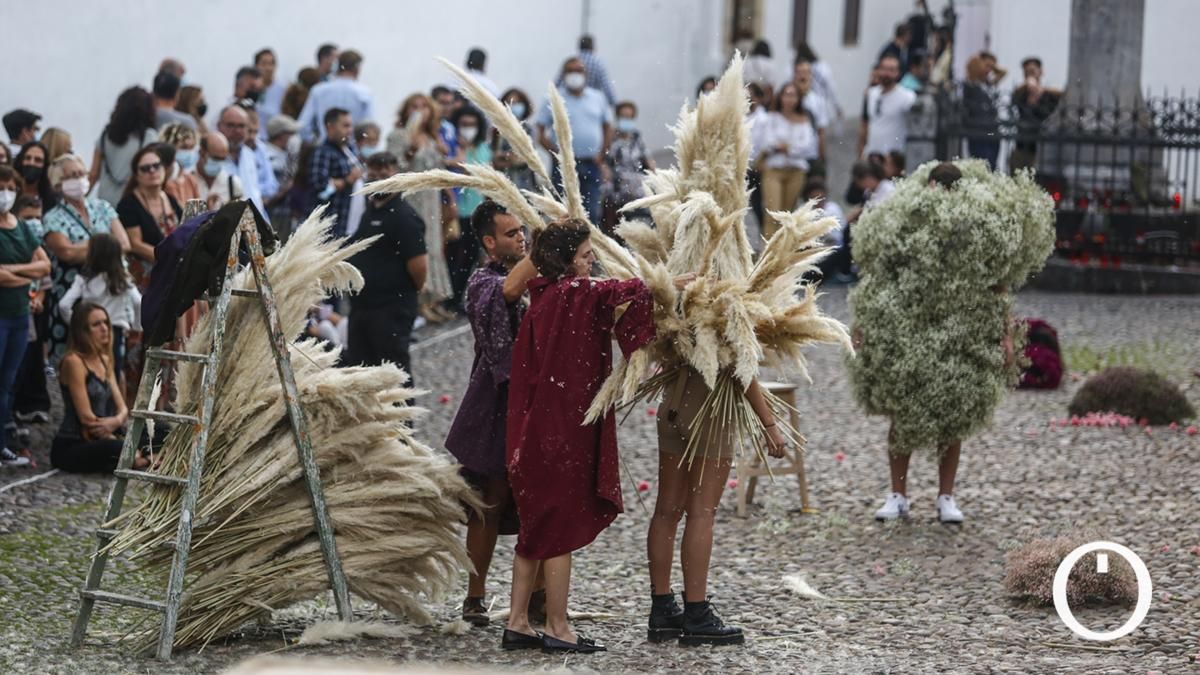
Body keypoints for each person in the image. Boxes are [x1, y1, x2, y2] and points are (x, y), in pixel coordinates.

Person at [503, 219, 661, 654]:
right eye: (587, 256)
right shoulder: (574, 295)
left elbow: (610, 293)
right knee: (558, 529)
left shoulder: (545, 297)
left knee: (535, 529)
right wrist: (665, 285)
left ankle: (517, 622)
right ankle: (557, 626)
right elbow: (623, 292)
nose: (592, 263)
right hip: (559, 433)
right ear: (568, 259)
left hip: (532, 432)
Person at [646, 340, 787, 648]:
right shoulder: (723, 297)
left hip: (672, 402)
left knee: (666, 509)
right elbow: (742, 368)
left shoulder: (675, 294)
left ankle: (662, 609)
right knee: (701, 512)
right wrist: (770, 425)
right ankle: (697, 616)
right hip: (708, 409)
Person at [443, 199, 539, 627]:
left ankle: (539, 595)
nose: (521, 238)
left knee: (542, 499)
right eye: (511, 233)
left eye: (524, 231)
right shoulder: (482, 281)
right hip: (497, 403)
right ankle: (475, 596)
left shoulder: (542, 275)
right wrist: (543, 251)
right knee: (490, 500)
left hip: (539, 404)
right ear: (489, 242)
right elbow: (508, 293)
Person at [42, 153, 131, 366]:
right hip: (73, 294)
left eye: (81, 173)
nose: (78, 178)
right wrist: (104, 246)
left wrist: (83, 246)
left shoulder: (102, 207)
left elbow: (125, 245)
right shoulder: (53, 216)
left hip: (109, 296)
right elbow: (66, 253)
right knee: (75, 359)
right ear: (58, 183)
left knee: (112, 360)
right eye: (71, 175)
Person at [343, 152, 427, 378]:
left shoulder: (404, 217)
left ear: (396, 175)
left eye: (385, 171)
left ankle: (402, 414)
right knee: (362, 372)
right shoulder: (368, 210)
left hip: (391, 309)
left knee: (393, 372)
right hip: (362, 308)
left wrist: (397, 294)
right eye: (373, 171)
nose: (378, 176)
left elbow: (419, 268)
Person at [51, 302, 145, 473]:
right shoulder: (74, 361)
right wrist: (113, 431)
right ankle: (143, 459)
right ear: (83, 331)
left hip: (109, 431)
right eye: (96, 325)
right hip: (76, 442)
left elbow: (122, 407)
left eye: (105, 323)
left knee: (158, 429)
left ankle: (139, 458)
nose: (104, 328)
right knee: (119, 448)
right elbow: (87, 419)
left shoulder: (105, 359)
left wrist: (116, 422)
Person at [0, 166, 50, 468]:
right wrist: (23, 274)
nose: (5, 191)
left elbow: (44, 267)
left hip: (19, 315)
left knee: (7, 384)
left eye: (9, 185)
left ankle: (3, 444)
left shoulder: (19, 225)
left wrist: (13, 271)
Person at [386, 94, 452, 318]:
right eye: (414, 106)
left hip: (431, 198)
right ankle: (419, 298)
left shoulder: (432, 138)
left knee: (434, 244)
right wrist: (411, 151)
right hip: (411, 197)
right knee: (416, 245)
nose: (420, 110)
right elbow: (395, 167)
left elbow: (438, 170)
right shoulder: (398, 136)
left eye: (424, 106)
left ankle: (433, 296)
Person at [536, 57, 612, 226]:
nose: (574, 74)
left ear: (585, 74)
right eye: (570, 71)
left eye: (578, 70)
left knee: (591, 212)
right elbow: (540, 131)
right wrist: (555, 153)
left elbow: (608, 127)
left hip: (591, 163)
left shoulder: (597, 97)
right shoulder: (553, 98)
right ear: (564, 74)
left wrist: (602, 153)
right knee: (563, 214)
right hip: (564, 165)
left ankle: (589, 250)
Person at [57, 234, 141, 384]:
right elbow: (138, 302)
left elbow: (64, 305)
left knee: (90, 370)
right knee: (115, 371)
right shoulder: (123, 279)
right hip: (115, 331)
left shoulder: (84, 280)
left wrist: (76, 324)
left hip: (89, 330)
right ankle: (117, 406)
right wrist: (136, 326)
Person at [10, 194, 52, 429]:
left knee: (28, 362)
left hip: (32, 316)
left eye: (38, 218)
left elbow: (44, 281)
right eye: (28, 218)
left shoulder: (37, 247)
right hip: (15, 309)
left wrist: (39, 299)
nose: (34, 223)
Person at [446, 106, 492, 312]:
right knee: (454, 256)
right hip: (455, 210)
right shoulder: (451, 145)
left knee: (470, 255)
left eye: (472, 125)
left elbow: (483, 174)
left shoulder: (482, 147)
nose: (468, 129)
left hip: (475, 209)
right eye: (464, 125)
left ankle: (457, 296)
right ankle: (450, 298)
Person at [758, 82, 818, 237]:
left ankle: (783, 253)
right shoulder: (772, 118)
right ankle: (768, 252)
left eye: (793, 95)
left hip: (796, 171)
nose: (789, 99)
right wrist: (789, 147)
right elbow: (767, 142)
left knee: (787, 215)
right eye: (786, 95)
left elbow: (807, 147)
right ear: (781, 97)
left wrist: (787, 148)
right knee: (773, 212)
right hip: (774, 170)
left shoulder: (804, 120)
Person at [117, 146, 182, 288]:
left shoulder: (170, 199)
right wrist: (167, 259)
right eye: (145, 168)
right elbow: (135, 244)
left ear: (164, 169)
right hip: (146, 277)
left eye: (156, 166)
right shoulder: (128, 204)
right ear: (136, 175)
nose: (152, 171)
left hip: (176, 272)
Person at [92, 87, 159, 205]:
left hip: (104, 202)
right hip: (132, 202)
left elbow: (93, 175)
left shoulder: (106, 136)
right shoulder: (149, 137)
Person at [298, 50, 374, 143]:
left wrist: (315, 143)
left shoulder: (318, 90)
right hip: (351, 149)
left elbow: (303, 125)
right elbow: (369, 127)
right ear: (357, 69)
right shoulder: (364, 93)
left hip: (324, 146)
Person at [309, 108, 363, 237]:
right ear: (330, 127)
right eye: (345, 126)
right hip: (331, 226)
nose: (350, 131)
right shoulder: (323, 152)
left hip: (349, 223)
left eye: (351, 126)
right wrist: (347, 180)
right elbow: (320, 188)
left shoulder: (350, 149)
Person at [857, 55, 917, 158]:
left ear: (898, 73)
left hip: (892, 158)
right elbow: (866, 124)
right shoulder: (871, 93)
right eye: (883, 69)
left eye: (891, 70)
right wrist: (862, 149)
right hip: (872, 155)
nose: (886, 74)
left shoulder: (907, 97)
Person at [1010, 56, 1062, 174]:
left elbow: (1063, 94)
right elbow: (1014, 97)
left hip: (1042, 147)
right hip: (1022, 145)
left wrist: (1041, 90)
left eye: (1033, 71)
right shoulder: (1021, 94)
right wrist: (1028, 86)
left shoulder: (1049, 95)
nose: (1030, 75)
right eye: (1027, 73)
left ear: (1041, 72)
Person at [606, 101, 655, 223]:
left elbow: (648, 159)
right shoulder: (611, 138)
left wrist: (655, 175)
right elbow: (605, 162)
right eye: (623, 117)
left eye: (629, 117)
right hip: (618, 183)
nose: (626, 120)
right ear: (617, 117)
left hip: (637, 182)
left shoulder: (637, 137)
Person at [216, 105, 270, 216]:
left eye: (241, 126)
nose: (236, 131)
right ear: (219, 126)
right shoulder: (211, 155)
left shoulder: (250, 155)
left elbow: (255, 194)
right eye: (230, 125)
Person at [963, 54, 1003, 170]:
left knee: (992, 164)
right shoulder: (971, 84)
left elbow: (1003, 72)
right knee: (981, 164)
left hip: (992, 132)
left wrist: (992, 66)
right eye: (986, 65)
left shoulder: (988, 84)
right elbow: (972, 68)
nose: (989, 69)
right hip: (978, 132)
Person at [492, 88, 537, 192]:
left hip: (524, 185)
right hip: (501, 186)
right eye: (510, 102)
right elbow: (493, 158)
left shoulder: (528, 130)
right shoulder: (497, 130)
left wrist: (506, 158)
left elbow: (527, 158)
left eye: (517, 103)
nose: (513, 106)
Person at [263, 115, 301, 229]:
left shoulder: (283, 154)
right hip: (272, 215)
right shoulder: (269, 157)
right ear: (281, 135)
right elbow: (270, 193)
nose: (295, 137)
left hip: (283, 213)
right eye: (291, 133)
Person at [194, 131, 243, 210]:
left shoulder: (232, 184)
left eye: (223, 159)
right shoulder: (187, 180)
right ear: (201, 152)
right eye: (216, 158)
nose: (219, 163)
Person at [795, 43, 842, 124]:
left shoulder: (793, 67)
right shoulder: (822, 66)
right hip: (819, 102)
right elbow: (831, 87)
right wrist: (836, 106)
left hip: (801, 102)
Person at [792, 60, 829, 161]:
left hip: (811, 153)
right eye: (800, 72)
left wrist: (822, 156)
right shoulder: (787, 98)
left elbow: (821, 131)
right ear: (794, 76)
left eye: (806, 72)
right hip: (792, 156)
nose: (803, 76)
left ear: (811, 76)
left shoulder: (818, 101)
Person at [158, 123, 201, 204]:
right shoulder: (159, 179)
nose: (189, 152)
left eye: (192, 147)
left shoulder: (191, 180)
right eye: (184, 147)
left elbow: (198, 213)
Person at [571, 35, 618, 106]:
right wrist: (614, 103)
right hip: (592, 103)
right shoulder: (598, 63)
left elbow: (558, 83)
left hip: (572, 101)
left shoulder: (571, 61)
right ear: (592, 47)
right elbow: (606, 86)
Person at [15, 141, 57, 211]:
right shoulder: (9, 191)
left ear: (44, 166)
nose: (31, 163)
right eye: (28, 158)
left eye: (38, 160)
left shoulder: (51, 198)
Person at [254, 49, 287, 134]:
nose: (268, 68)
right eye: (264, 64)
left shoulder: (283, 90)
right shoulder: (251, 88)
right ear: (256, 66)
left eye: (271, 64)